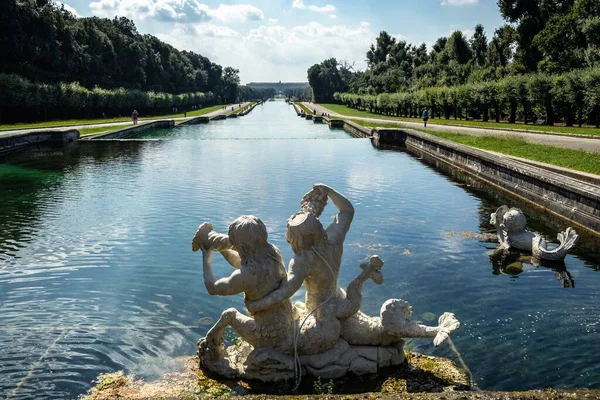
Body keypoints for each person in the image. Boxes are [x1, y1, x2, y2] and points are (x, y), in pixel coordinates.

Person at [246, 184, 355, 355]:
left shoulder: (302, 261)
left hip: (320, 315)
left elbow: (285, 292)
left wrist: (256, 304)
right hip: (337, 298)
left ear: (294, 239)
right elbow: (347, 211)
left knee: (286, 344)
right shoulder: (334, 238)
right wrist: (330, 191)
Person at [193, 216, 294, 355]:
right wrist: (221, 249)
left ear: (243, 246)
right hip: (286, 323)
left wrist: (206, 257)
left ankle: (211, 343)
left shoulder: (246, 275)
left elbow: (212, 288)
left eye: (235, 245)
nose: (233, 247)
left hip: (268, 336)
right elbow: (241, 262)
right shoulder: (273, 253)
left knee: (229, 315)